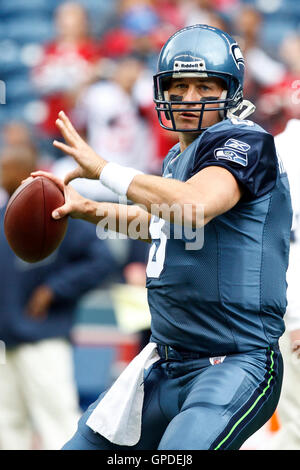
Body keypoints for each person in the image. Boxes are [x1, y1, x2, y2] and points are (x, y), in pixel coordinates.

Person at [31, 25, 292, 450]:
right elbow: (166, 225)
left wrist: (106, 172)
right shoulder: (176, 158)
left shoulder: (247, 140)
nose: (189, 97)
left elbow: (194, 206)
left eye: (203, 85)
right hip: (163, 364)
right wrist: (89, 209)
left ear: (230, 90)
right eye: (178, 85)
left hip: (232, 362)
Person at [0, 145, 118, 450]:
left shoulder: (57, 211)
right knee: (7, 426)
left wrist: (54, 289)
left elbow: (101, 260)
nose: (1, 175)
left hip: (44, 336)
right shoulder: (5, 216)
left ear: (24, 171)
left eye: (5, 168)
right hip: (6, 338)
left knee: (59, 424)